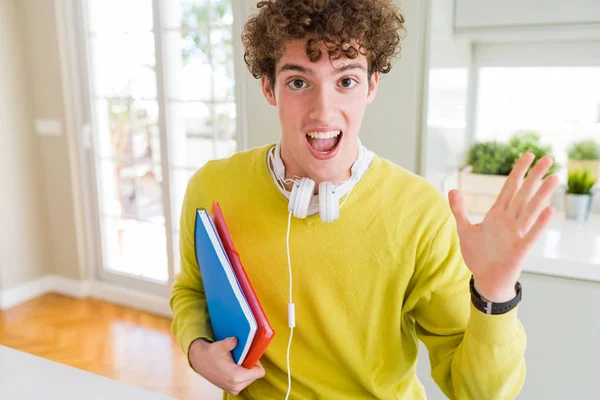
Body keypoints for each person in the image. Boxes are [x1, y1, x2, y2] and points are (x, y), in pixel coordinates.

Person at [169, 0, 560, 399]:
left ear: (372, 85)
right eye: (299, 82)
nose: (323, 112)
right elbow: (191, 290)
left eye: (346, 81)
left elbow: (478, 393)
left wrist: (494, 293)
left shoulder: (421, 213)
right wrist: (197, 350)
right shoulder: (212, 185)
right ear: (269, 87)